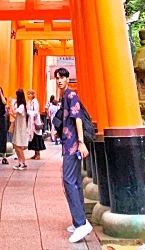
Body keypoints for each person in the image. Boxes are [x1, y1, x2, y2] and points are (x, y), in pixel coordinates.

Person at [54, 67, 92, 242]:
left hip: (72, 146)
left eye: (62, 77)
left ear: (68, 78)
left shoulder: (71, 95)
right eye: (57, 78)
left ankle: (81, 223)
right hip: (68, 144)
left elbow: (77, 119)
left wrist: (81, 142)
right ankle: (79, 222)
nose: (60, 80)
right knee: (74, 181)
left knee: (69, 181)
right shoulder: (65, 96)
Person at [11, 88, 30, 169]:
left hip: (21, 129)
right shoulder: (20, 106)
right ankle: (19, 162)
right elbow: (15, 115)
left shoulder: (22, 106)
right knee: (16, 145)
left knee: (19, 147)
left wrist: (11, 104)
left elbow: (15, 112)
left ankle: (23, 163)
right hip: (18, 127)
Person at [27, 89, 45, 160]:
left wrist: (29, 112)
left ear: (33, 95)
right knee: (33, 137)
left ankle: (38, 154)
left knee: (37, 137)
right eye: (28, 94)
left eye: (30, 94)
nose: (28, 95)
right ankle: (35, 153)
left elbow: (36, 112)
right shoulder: (29, 102)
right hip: (31, 121)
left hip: (35, 121)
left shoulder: (35, 102)